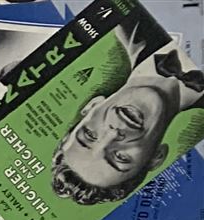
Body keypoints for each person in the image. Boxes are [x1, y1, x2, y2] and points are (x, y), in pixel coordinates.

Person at [50, 32, 204, 206]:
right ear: (156, 157)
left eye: (90, 135)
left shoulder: (128, 25)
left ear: (92, 106)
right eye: (120, 157)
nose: (113, 133)